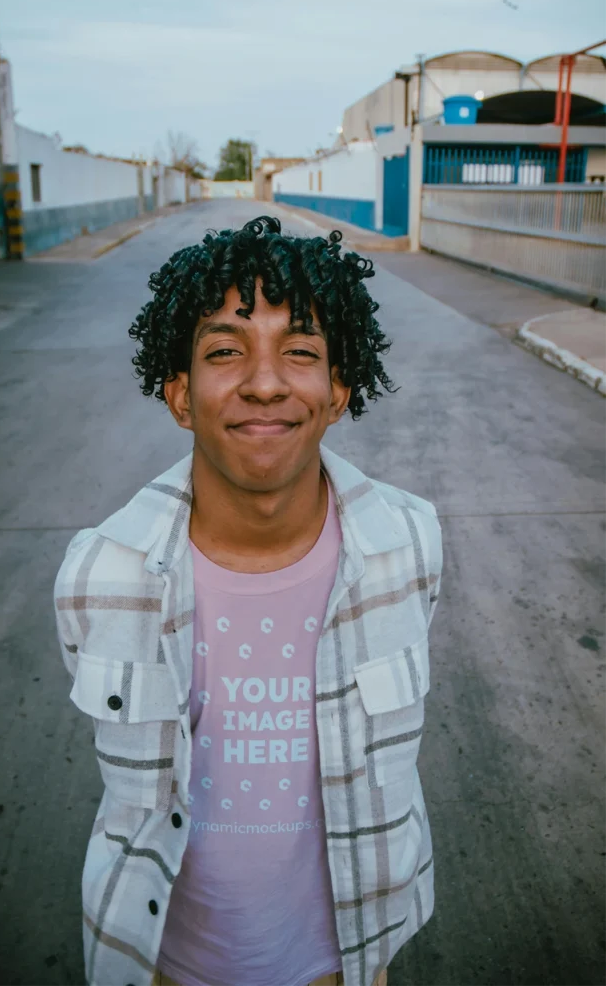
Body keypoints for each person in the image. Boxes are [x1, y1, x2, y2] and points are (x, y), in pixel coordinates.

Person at [54, 215, 443, 986]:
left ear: (338, 391)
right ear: (179, 394)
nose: (264, 382)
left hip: (349, 959)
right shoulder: (102, 574)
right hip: (162, 964)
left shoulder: (408, 543)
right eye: (224, 351)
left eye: (299, 351)